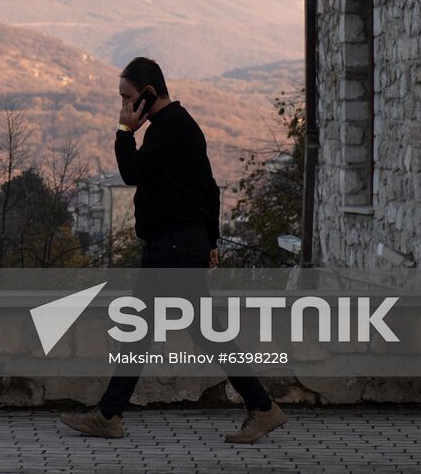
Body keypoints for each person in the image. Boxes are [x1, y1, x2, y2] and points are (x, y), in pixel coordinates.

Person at [59, 56, 287, 444]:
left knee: (200, 329)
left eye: (128, 99)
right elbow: (209, 189)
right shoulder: (178, 126)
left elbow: (132, 173)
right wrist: (210, 240)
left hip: (175, 245)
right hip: (175, 243)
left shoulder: (168, 130)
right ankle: (109, 414)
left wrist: (122, 131)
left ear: (148, 94)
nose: (124, 107)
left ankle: (262, 407)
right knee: (142, 329)